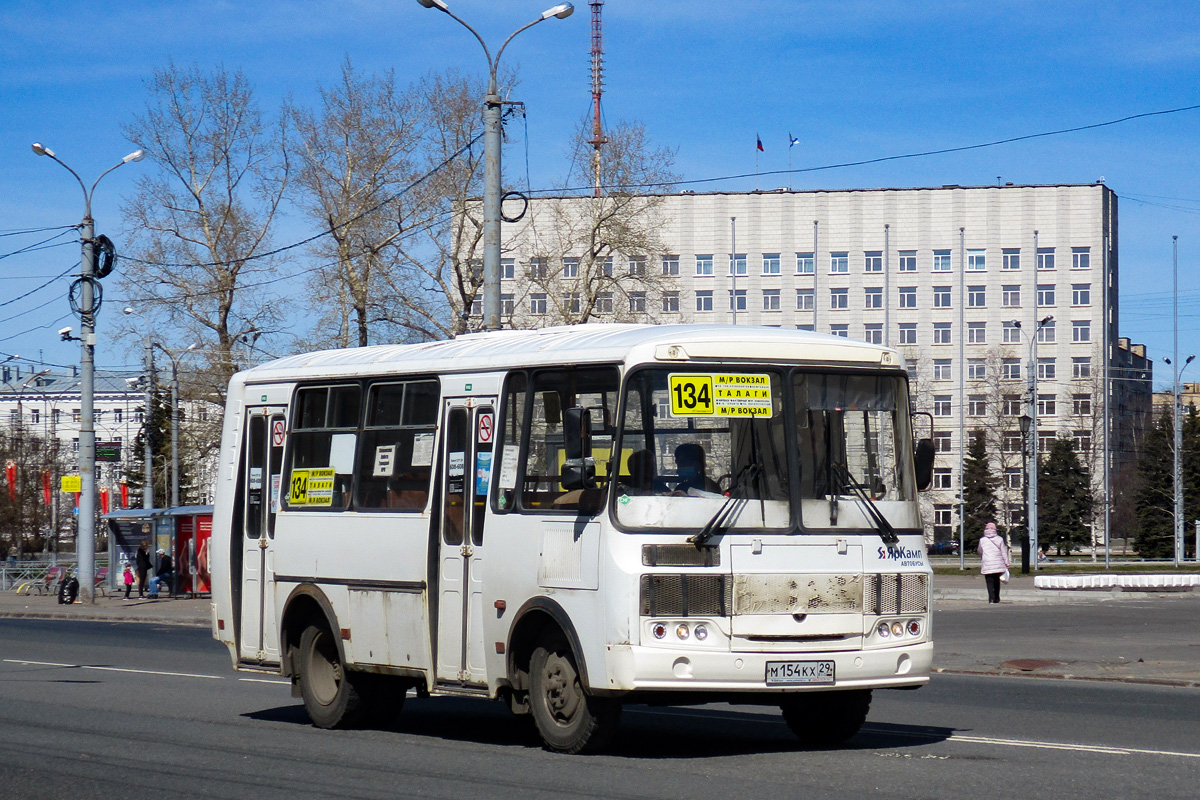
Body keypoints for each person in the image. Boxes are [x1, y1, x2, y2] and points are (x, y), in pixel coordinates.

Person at [977, 522, 1011, 604]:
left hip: (987, 563)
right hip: (998, 563)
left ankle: (991, 599)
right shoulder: (999, 539)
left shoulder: (982, 540)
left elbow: (979, 551)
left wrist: (983, 558)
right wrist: (1007, 563)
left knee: (989, 582)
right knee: (996, 581)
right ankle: (997, 598)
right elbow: (1003, 552)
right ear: (995, 530)